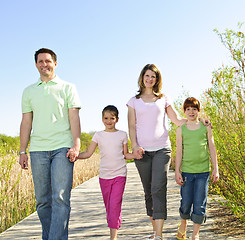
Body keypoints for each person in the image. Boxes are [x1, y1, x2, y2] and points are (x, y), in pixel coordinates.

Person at [127, 64, 210, 240]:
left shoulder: (163, 98)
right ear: (142, 77)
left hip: (161, 149)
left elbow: (177, 120)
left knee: (158, 188)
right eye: (147, 76)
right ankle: (154, 229)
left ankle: (159, 234)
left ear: (157, 80)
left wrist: (198, 120)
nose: (150, 79)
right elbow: (132, 126)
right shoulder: (133, 101)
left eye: (153, 77)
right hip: (142, 152)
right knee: (148, 191)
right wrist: (134, 146)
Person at [19, 48, 81, 240]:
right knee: (43, 201)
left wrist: (76, 145)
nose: (44, 64)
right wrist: (23, 150)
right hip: (38, 151)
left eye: (47, 61)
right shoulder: (29, 91)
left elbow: (74, 117)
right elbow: (26, 122)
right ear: (36, 64)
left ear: (55, 63)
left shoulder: (68, 87)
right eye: (40, 61)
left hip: (62, 148)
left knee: (60, 198)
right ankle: (50, 236)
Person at [75, 105, 142, 240]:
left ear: (117, 119)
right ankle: (113, 227)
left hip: (119, 175)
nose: (109, 121)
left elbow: (125, 155)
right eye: (106, 118)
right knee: (109, 206)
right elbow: (88, 153)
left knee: (115, 204)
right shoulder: (98, 135)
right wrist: (75, 156)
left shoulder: (122, 134)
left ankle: (113, 237)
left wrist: (135, 155)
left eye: (112, 118)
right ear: (102, 119)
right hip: (104, 176)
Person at [174, 97, 219, 240]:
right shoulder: (181, 129)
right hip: (187, 171)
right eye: (188, 109)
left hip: (203, 172)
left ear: (199, 111)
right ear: (184, 111)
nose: (191, 112)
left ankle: (195, 234)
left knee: (200, 203)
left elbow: (211, 147)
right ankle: (183, 224)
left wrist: (215, 168)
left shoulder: (205, 127)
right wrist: (177, 171)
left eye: (194, 109)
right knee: (186, 201)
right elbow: (179, 151)